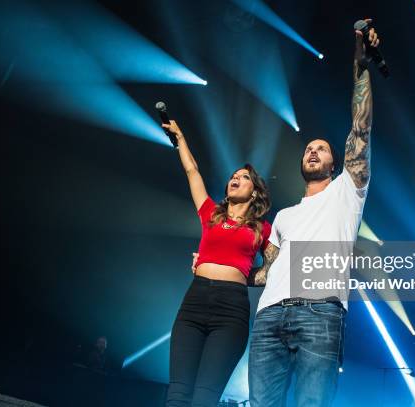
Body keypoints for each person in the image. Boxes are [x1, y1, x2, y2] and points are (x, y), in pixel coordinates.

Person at [247, 19, 380, 407]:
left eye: (321, 149)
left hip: (320, 314)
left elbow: (361, 127)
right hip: (269, 316)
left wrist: (361, 67)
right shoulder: (284, 217)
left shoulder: (346, 192)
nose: (311, 151)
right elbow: (265, 272)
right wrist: (219, 268)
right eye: (308, 148)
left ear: (336, 165)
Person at [162, 119, 272, 407]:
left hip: (232, 309)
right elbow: (192, 171)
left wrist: (242, 273)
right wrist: (181, 137)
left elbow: (277, 268)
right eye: (233, 176)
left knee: (204, 399)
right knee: (177, 394)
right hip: (195, 300)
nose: (235, 178)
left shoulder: (263, 228)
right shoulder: (211, 213)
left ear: (256, 191)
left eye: (244, 177)